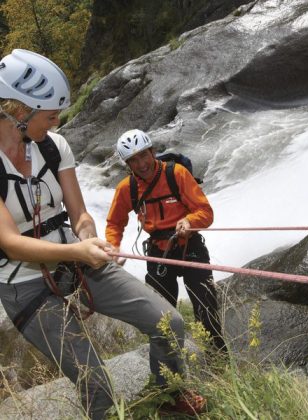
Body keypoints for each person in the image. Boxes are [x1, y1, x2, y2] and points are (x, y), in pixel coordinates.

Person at [0, 49, 204, 419]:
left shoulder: (52, 145)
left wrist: (89, 235)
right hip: (24, 283)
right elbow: (11, 243)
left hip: (76, 259)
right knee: (95, 381)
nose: (57, 121)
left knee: (169, 322)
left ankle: (167, 395)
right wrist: (80, 253)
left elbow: (77, 212)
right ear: (19, 112)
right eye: (49, 115)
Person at [106, 129, 227, 354]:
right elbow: (114, 223)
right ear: (127, 164)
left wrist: (190, 221)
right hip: (158, 253)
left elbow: (205, 212)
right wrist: (113, 246)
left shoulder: (176, 174)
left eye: (143, 155)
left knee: (206, 311)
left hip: (189, 247)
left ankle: (218, 365)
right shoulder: (127, 188)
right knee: (160, 317)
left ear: (152, 152)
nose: (141, 164)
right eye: (133, 160)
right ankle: (170, 370)